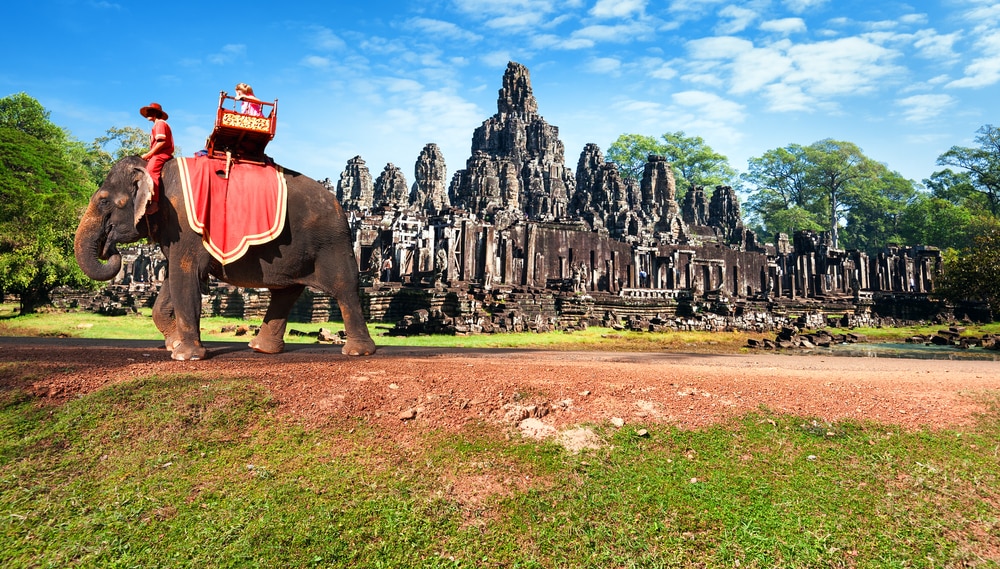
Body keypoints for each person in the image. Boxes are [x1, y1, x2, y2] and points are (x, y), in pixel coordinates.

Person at [139, 102, 174, 214]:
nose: (148, 114)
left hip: (162, 154)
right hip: (158, 153)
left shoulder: (160, 124)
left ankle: (154, 203)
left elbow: (161, 142)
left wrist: (149, 154)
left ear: (156, 113)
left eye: (150, 111)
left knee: (151, 172)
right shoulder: (157, 125)